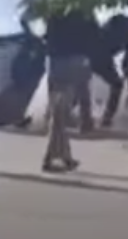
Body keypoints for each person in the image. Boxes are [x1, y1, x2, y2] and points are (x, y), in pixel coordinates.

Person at [42, 10, 97, 171]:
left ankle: (65, 157)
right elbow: (95, 34)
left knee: (58, 112)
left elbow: (48, 36)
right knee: (60, 114)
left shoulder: (54, 9)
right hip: (75, 62)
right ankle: (49, 158)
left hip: (55, 64)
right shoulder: (83, 8)